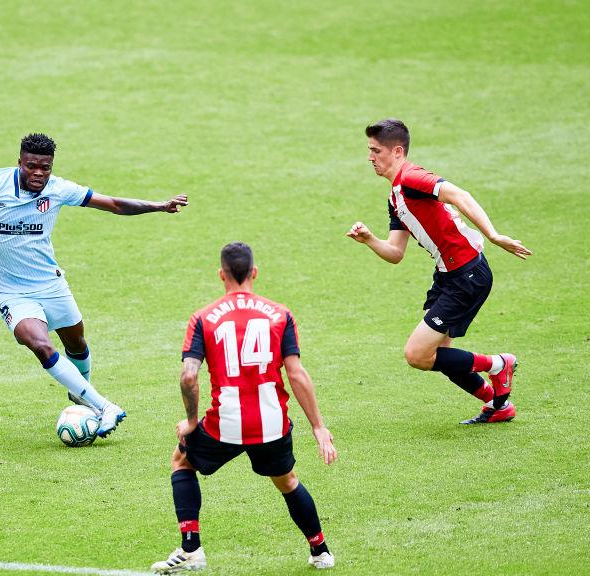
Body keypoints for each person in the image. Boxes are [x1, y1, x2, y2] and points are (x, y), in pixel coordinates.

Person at [0, 133, 187, 437]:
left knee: (76, 344)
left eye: (45, 168)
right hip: (12, 291)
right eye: (31, 166)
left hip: (51, 285)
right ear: (19, 162)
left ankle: (81, 395)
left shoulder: (59, 189)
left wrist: (159, 206)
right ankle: (104, 406)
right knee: (40, 344)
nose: (38, 173)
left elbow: (114, 204)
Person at [152, 242, 337, 573]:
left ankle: (191, 550)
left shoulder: (203, 318)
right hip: (271, 423)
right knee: (287, 481)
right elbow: (296, 374)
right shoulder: (280, 314)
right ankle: (320, 550)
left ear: (221, 275)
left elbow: (188, 376)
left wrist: (192, 421)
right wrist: (318, 427)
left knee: (181, 462)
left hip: (224, 424)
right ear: (254, 273)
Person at [346, 119, 532, 424]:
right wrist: (369, 240)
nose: (370, 157)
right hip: (448, 275)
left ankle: (499, 364)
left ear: (397, 151)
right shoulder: (395, 196)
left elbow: (460, 195)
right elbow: (395, 253)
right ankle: (498, 405)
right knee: (440, 355)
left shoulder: (412, 178)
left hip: (467, 275)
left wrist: (493, 235)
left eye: (376, 151)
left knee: (417, 354)